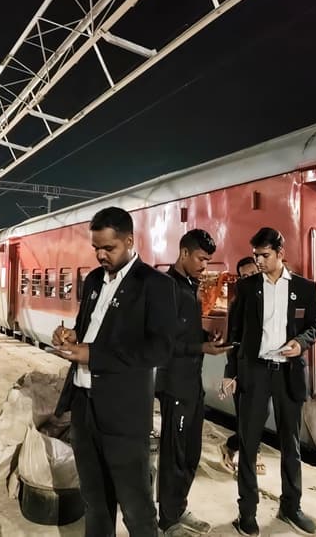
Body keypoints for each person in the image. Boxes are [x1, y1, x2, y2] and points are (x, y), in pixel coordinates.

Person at [52, 206, 176, 537]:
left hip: (124, 414)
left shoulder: (155, 285)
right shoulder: (94, 279)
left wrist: (94, 354)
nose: (101, 255)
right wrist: (72, 336)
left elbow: (160, 349)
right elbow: (87, 328)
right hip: (84, 406)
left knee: (136, 507)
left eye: (109, 248)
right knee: (94, 502)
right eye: (96, 248)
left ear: (130, 241)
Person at [229, 228, 316, 536]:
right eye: (255, 255)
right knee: (248, 443)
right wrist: (231, 372)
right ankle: (247, 512)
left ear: (281, 253)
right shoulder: (246, 288)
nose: (258, 261)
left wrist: (300, 342)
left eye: (264, 255)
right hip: (254, 371)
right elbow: (235, 332)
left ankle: (291, 507)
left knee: (290, 444)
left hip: (288, 372)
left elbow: (315, 325)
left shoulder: (305, 288)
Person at [155, 229, 232, 537]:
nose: (204, 265)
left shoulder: (189, 285)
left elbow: (184, 330)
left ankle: (178, 507)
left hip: (192, 382)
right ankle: (167, 520)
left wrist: (205, 336)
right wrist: (200, 346)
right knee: (174, 454)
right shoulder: (165, 288)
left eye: (208, 260)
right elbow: (161, 342)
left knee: (191, 452)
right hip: (174, 384)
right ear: (184, 253)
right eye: (201, 259)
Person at [220, 257, 266, 476]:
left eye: (253, 274)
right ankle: (248, 460)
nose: (249, 279)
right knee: (246, 417)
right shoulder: (237, 304)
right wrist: (231, 374)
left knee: (259, 416)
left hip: (266, 369)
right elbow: (232, 340)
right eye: (244, 276)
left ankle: (233, 446)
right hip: (243, 369)